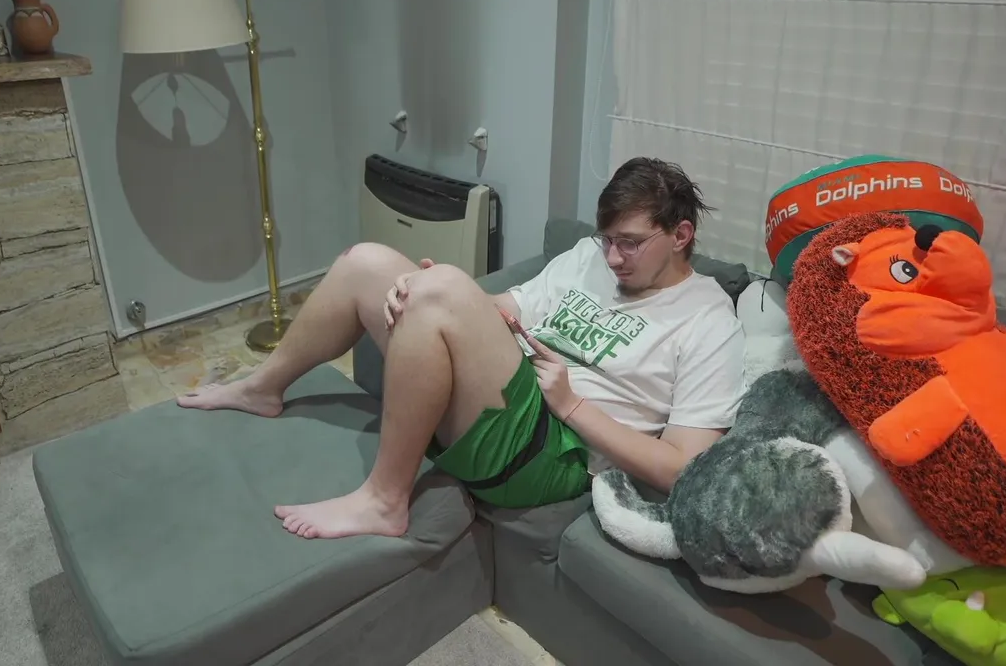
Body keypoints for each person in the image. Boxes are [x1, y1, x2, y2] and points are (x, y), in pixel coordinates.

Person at [178, 157, 747, 540]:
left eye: (630, 244)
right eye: (607, 241)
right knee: (366, 262)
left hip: (557, 449)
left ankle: (384, 500)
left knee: (442, 290)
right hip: (510, 387)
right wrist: (429, 291)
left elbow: (681, 468)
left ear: (680, 235)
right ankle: (263, 388)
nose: (614, 258)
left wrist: (573, 405)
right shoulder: (587, 258)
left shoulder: (709, 322)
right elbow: (505, 307)